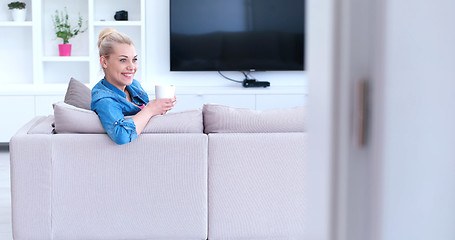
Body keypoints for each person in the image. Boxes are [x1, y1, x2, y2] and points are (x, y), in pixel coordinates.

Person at [91, 28, 176, 145]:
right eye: (123, 60)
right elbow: (122, 136)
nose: (132, 67)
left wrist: (160, 107)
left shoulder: (134, 86)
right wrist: (150, 109)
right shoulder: (104, 100)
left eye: (134, 59)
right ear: (104, 62)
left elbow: (145, 116)